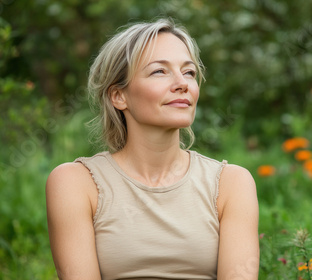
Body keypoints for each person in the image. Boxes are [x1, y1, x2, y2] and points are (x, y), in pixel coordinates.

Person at [46, 18, 259, 280]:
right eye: (160, 71)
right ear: (118, 96)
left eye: (189, 72)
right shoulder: (76, 183)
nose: (183, 83)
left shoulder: (231, 184)